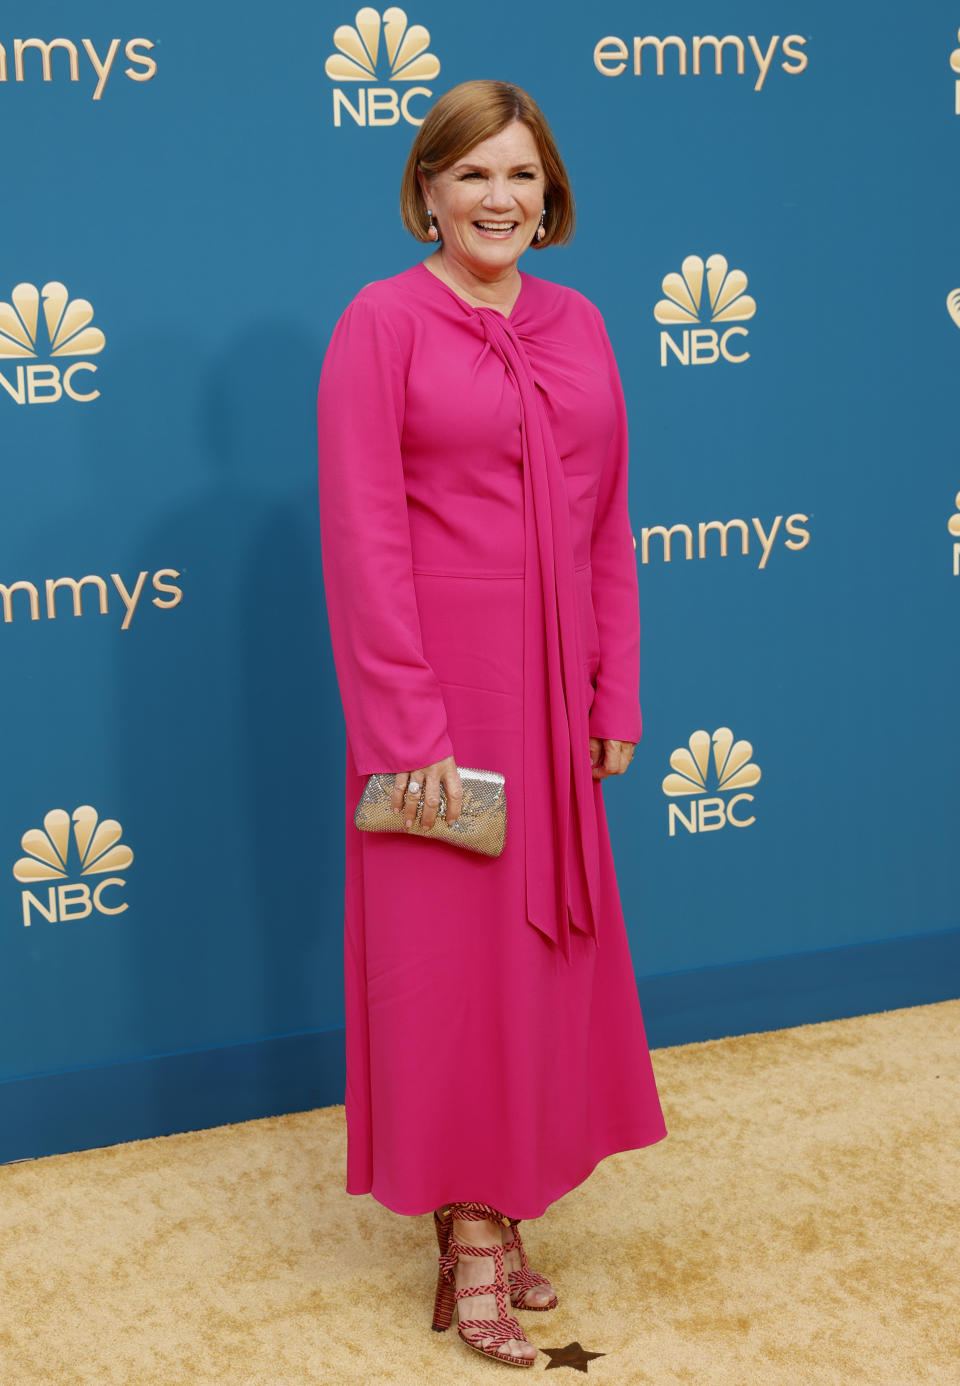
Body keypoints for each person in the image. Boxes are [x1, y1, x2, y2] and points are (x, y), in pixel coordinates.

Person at [316, 78, 667, 1369]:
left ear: (550, 191)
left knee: (536, 961)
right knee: (447, 968)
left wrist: (612, 689)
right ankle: (467, 1236)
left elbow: (607, 518)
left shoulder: (580, 324)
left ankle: (506, 1197)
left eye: (520, 174)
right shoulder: (379, 323)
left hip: (555, 689)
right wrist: (406, 729)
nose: (498, 197)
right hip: (438, 698)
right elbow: (362, 541)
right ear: (427, 191)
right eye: (471, 174)